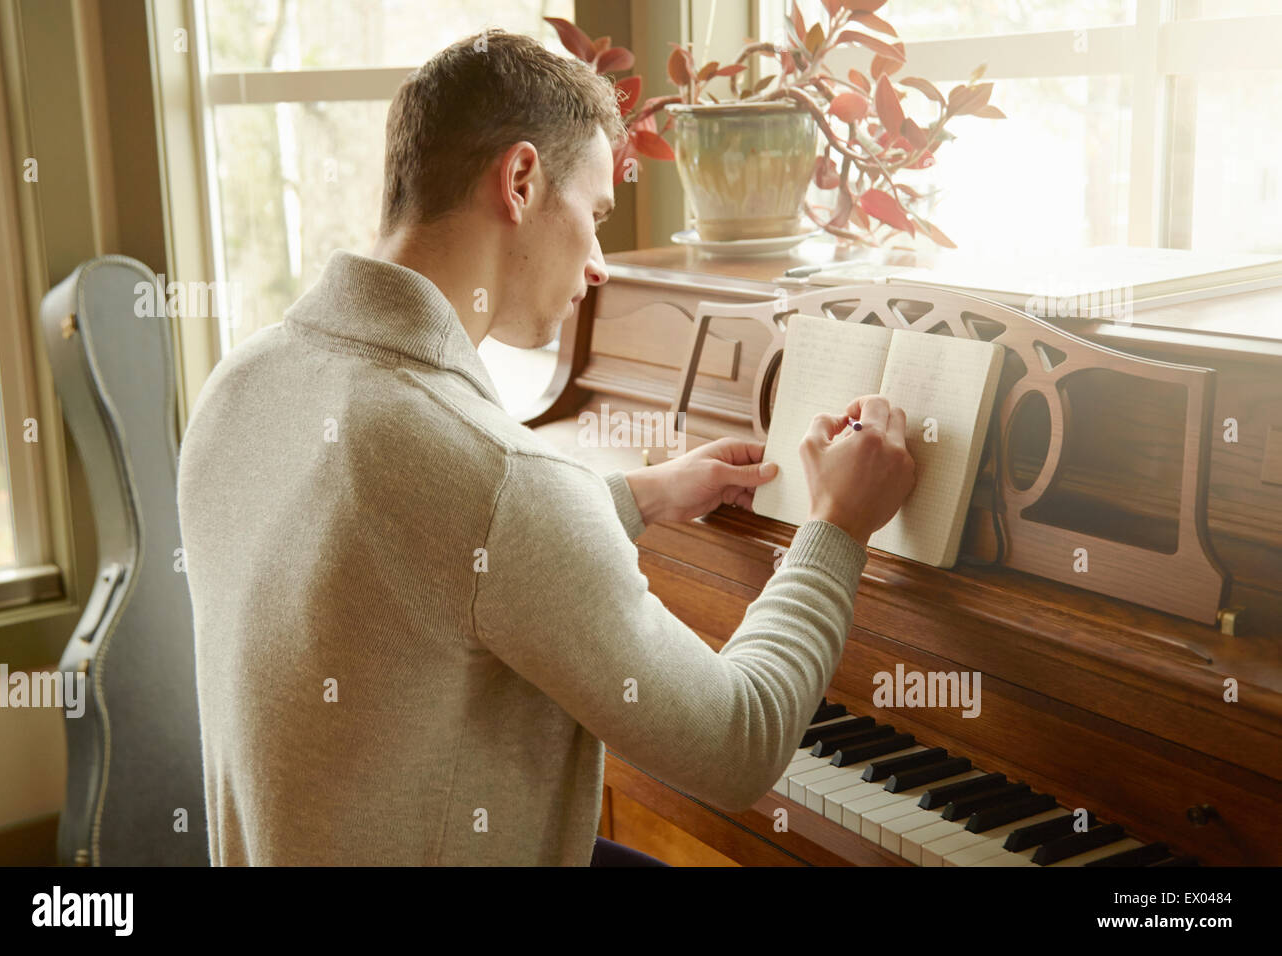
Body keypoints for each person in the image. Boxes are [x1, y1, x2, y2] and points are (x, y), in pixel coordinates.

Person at [176, 29, 915, 867]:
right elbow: (739, 743)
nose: (599, 265)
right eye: (595, 217)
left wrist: (635, 498)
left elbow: (417, 553)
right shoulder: (502, 479)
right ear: (521, 181)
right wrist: (838, 527)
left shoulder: (239, 384)